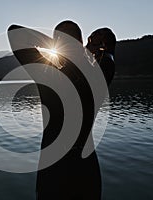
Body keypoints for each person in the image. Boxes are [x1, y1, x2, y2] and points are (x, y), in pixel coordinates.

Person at [8, 20, 116, 200]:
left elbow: (15, 33)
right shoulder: (97, 77)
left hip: (56, 168)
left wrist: (58, 43)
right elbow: (111, 48)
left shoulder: (46, 73)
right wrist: (92, 45)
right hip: (81, 166)